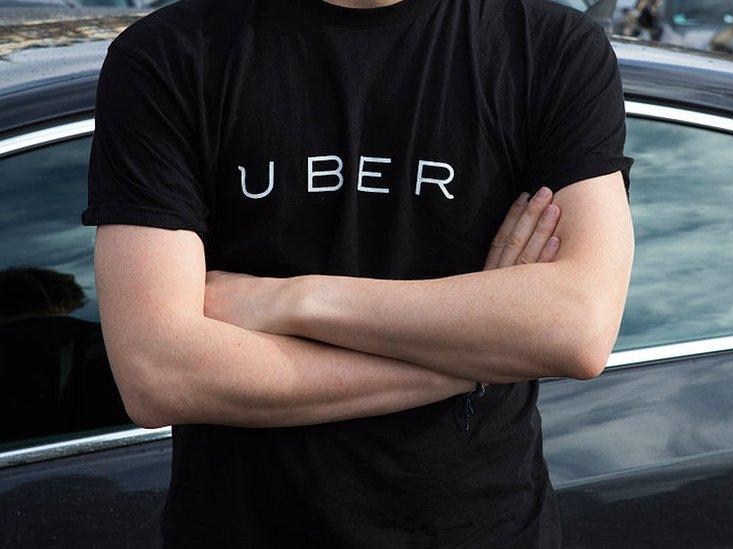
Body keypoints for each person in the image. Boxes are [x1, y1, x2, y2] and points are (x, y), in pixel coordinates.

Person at [81, 0, 634, 546]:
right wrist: (482, 361)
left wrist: (292, 301)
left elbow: (576, 328)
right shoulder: (170, 53)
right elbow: (160, 374)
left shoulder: (549, 47)